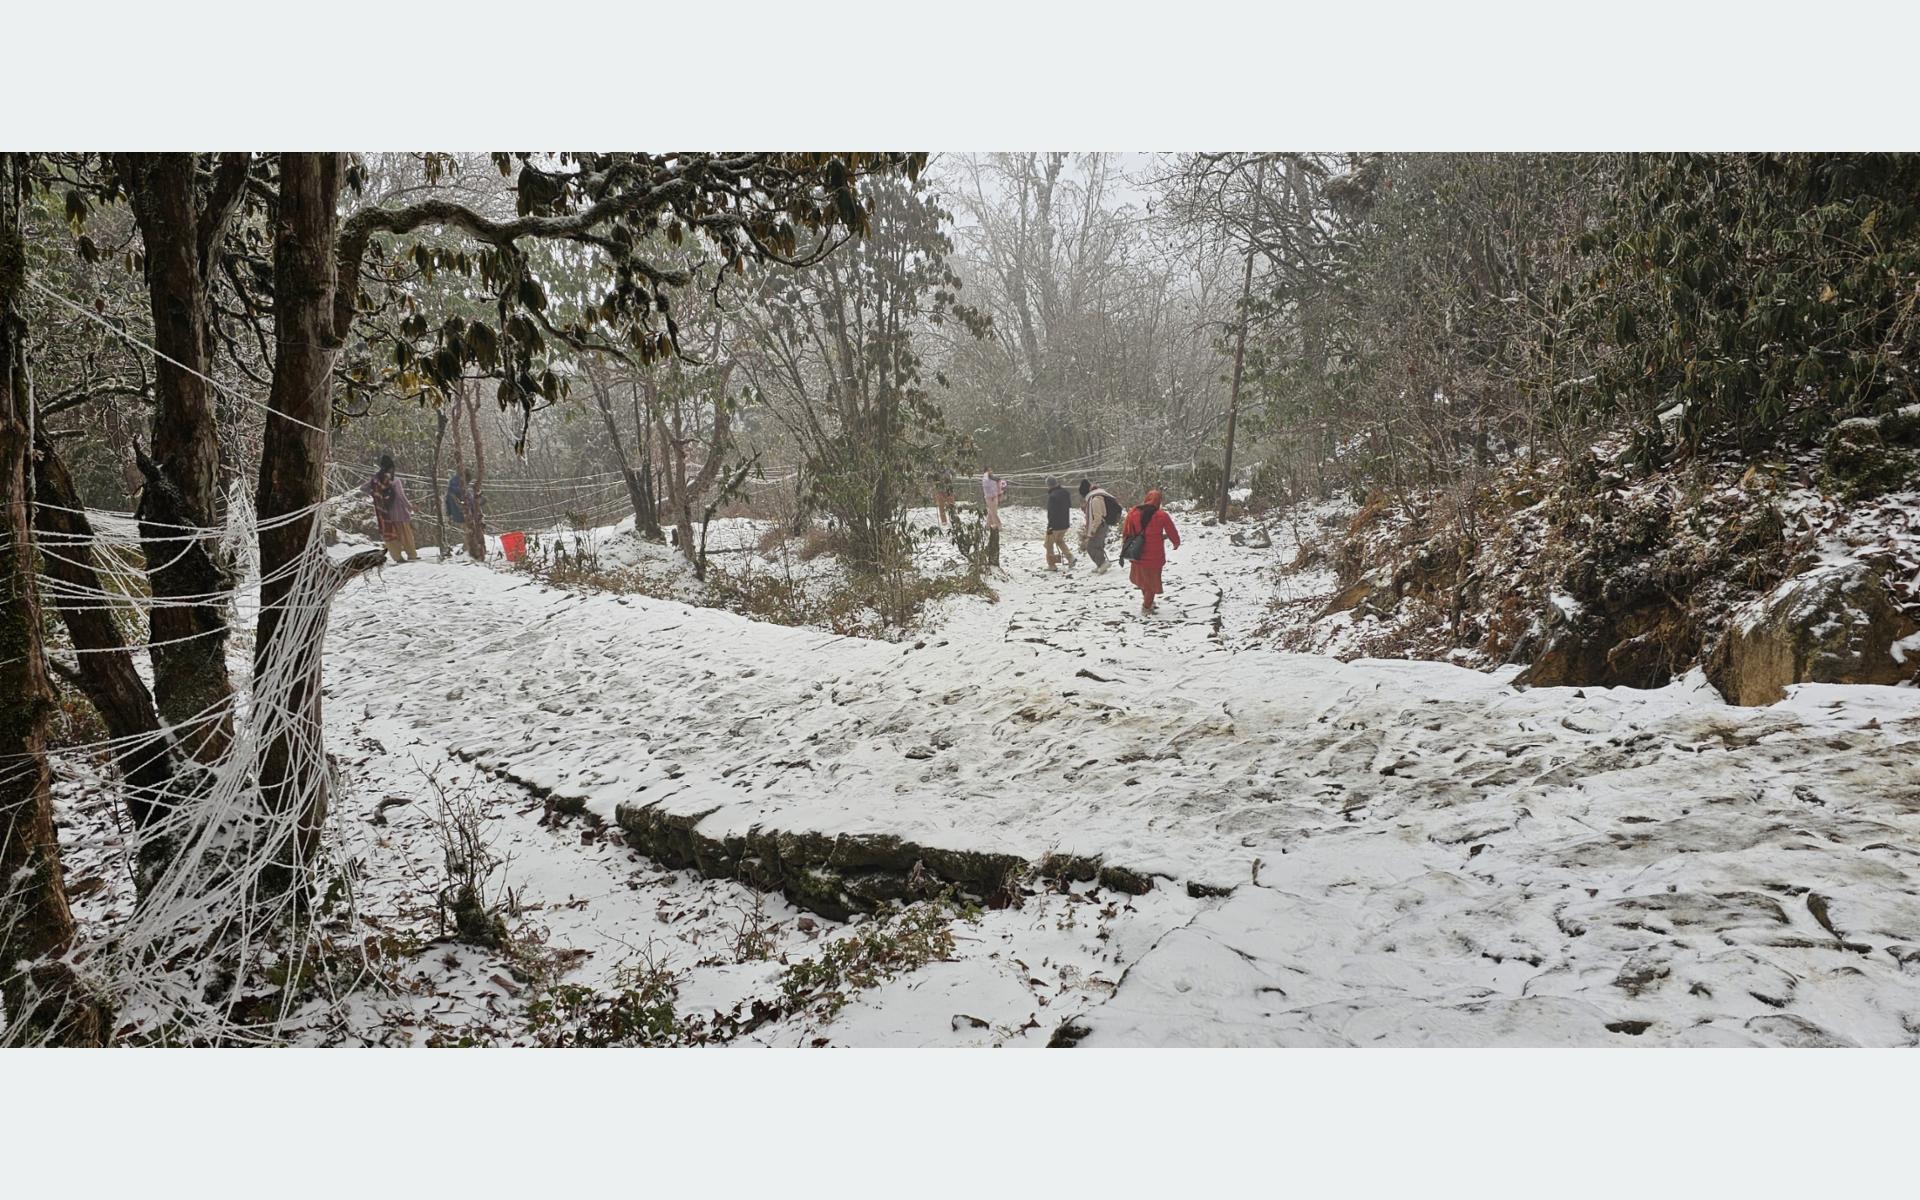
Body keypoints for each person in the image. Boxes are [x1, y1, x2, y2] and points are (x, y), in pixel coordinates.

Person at [1119, 488, 1180, 615]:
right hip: (1155, 556)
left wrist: (1125, 545)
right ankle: (1146, 607)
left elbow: (1127, 531)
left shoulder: (1133, 513)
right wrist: (1176, 542)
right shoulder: (1162, 515)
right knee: (1152, 582)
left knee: (1144, 580)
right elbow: (1171, 531)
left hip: (1137, 552)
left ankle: (1149, 602)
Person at [365, 453, 419, 563]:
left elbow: (363, 488)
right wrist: (411, 507)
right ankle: (412, 555)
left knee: (391, 537)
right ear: (391, 467)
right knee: (406, 535)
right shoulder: (395, 481)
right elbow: (401, 497)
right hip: (399, 512)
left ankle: (397, 557)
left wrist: (377, 496)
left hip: (385, 514)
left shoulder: (375, 480)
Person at [1080, 478, 1122, 573]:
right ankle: (1100, 564)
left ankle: (1102, 563)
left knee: (1091, 546)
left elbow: (1098, 517)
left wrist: (1093, 530)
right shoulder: (1097, 495)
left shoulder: (1095, 499)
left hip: (1100, 525)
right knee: (1097, 545)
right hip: (1103, 524)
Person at [1043, 476, 1076, 571]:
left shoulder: (1052, 496)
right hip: (1065, 523)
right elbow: (1069, 506)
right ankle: (1070, 558)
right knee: (1059, 541)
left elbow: (1051, 513)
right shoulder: (1065, 493)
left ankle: (1052, 565)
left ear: (1049, 485)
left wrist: (1050, 526)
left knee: (1048, 544)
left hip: (1055, 525)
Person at [980, 467, 1008, 567]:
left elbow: (1000, 483)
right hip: (988, 497)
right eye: (989, 470)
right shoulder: (986, 478)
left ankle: (988, 525)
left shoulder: (993, 478)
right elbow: (989, 481)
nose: (991, 471)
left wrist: (1001, 490)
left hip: (995, 496)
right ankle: (998, 525)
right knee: (993, 512)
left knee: (992, 512)